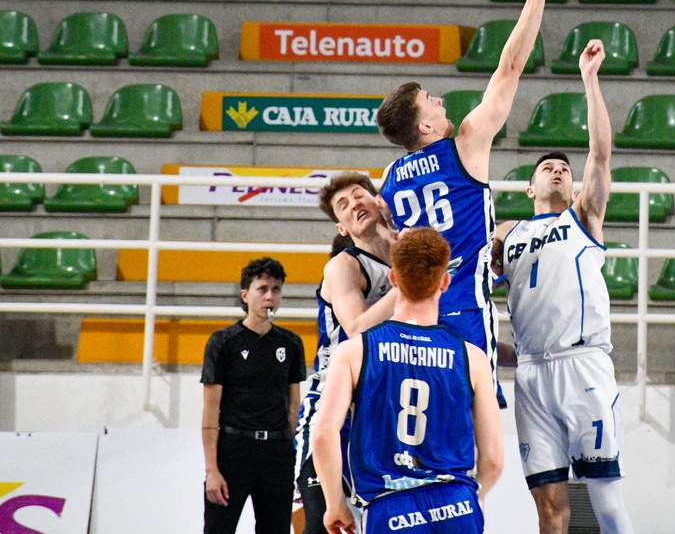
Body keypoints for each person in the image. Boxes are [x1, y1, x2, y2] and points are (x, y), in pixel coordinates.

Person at [376, 0, 561, 403]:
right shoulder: (465, 148)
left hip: (412, 315)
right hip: (462, 308)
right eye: (430, 102)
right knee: (472, 430)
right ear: (424, 124)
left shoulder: (393, 179)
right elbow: (511, 67)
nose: (440, 101)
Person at [491, 39, 635, 534]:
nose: (557, 169)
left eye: (564, 170)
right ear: (529, 188)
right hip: (531, 373)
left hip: (584, 366)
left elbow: (600, 150)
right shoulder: (506, 234)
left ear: (573, 188)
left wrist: (589, 80)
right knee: (549, 510)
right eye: (546, 168)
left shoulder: (583, 217)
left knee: (608, 503)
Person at [312, 227, 505, 534]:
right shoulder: (472, 357)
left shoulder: (355, 350)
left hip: (390, 506)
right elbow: (493, 458)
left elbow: (323, 435)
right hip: (456, 502)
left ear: (392, 279)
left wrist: (335, 503)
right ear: (445, 281)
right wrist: (472, 496)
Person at [294, 172, 401, 534]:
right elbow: (356, 328)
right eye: (344, 204)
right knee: (325, 524)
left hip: (383, 405)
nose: (355, 203)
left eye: (360, 195)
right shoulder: (343, 266)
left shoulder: (408, 253)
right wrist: (410, 285)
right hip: (334, 405)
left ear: (379, 201)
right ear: (341, 228)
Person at [201, 257, 307, 534]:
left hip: (276, 452)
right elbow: (211, 411)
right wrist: (212, 470)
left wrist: (292, 460)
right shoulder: (223, 342)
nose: (270, 296)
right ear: (246, 295)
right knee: (218, 528)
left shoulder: (291, 343)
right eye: (262, 289)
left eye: (276, 289)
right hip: (234, 449)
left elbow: (294, 408)